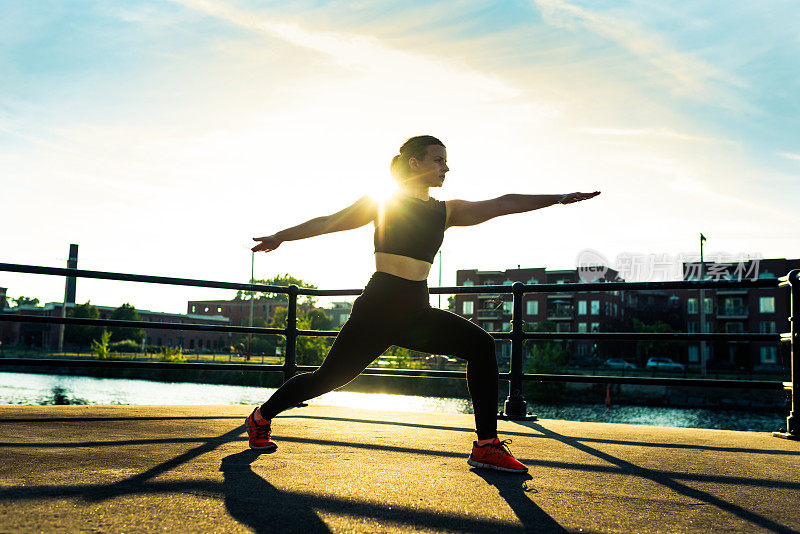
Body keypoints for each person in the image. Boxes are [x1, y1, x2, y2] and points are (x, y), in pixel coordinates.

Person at [246, 135, 600, 473]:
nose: (446, 168)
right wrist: (281, 236)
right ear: (415, 164)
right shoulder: (382, 203)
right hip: (378, 309)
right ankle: (262, 416)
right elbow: (327, 222)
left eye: (447, 161)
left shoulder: (446, 212)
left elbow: (502, 203)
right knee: (328, 378)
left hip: (416, 312)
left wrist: (558, 197)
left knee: (481, 345)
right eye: (439, 160)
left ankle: (486, 446)